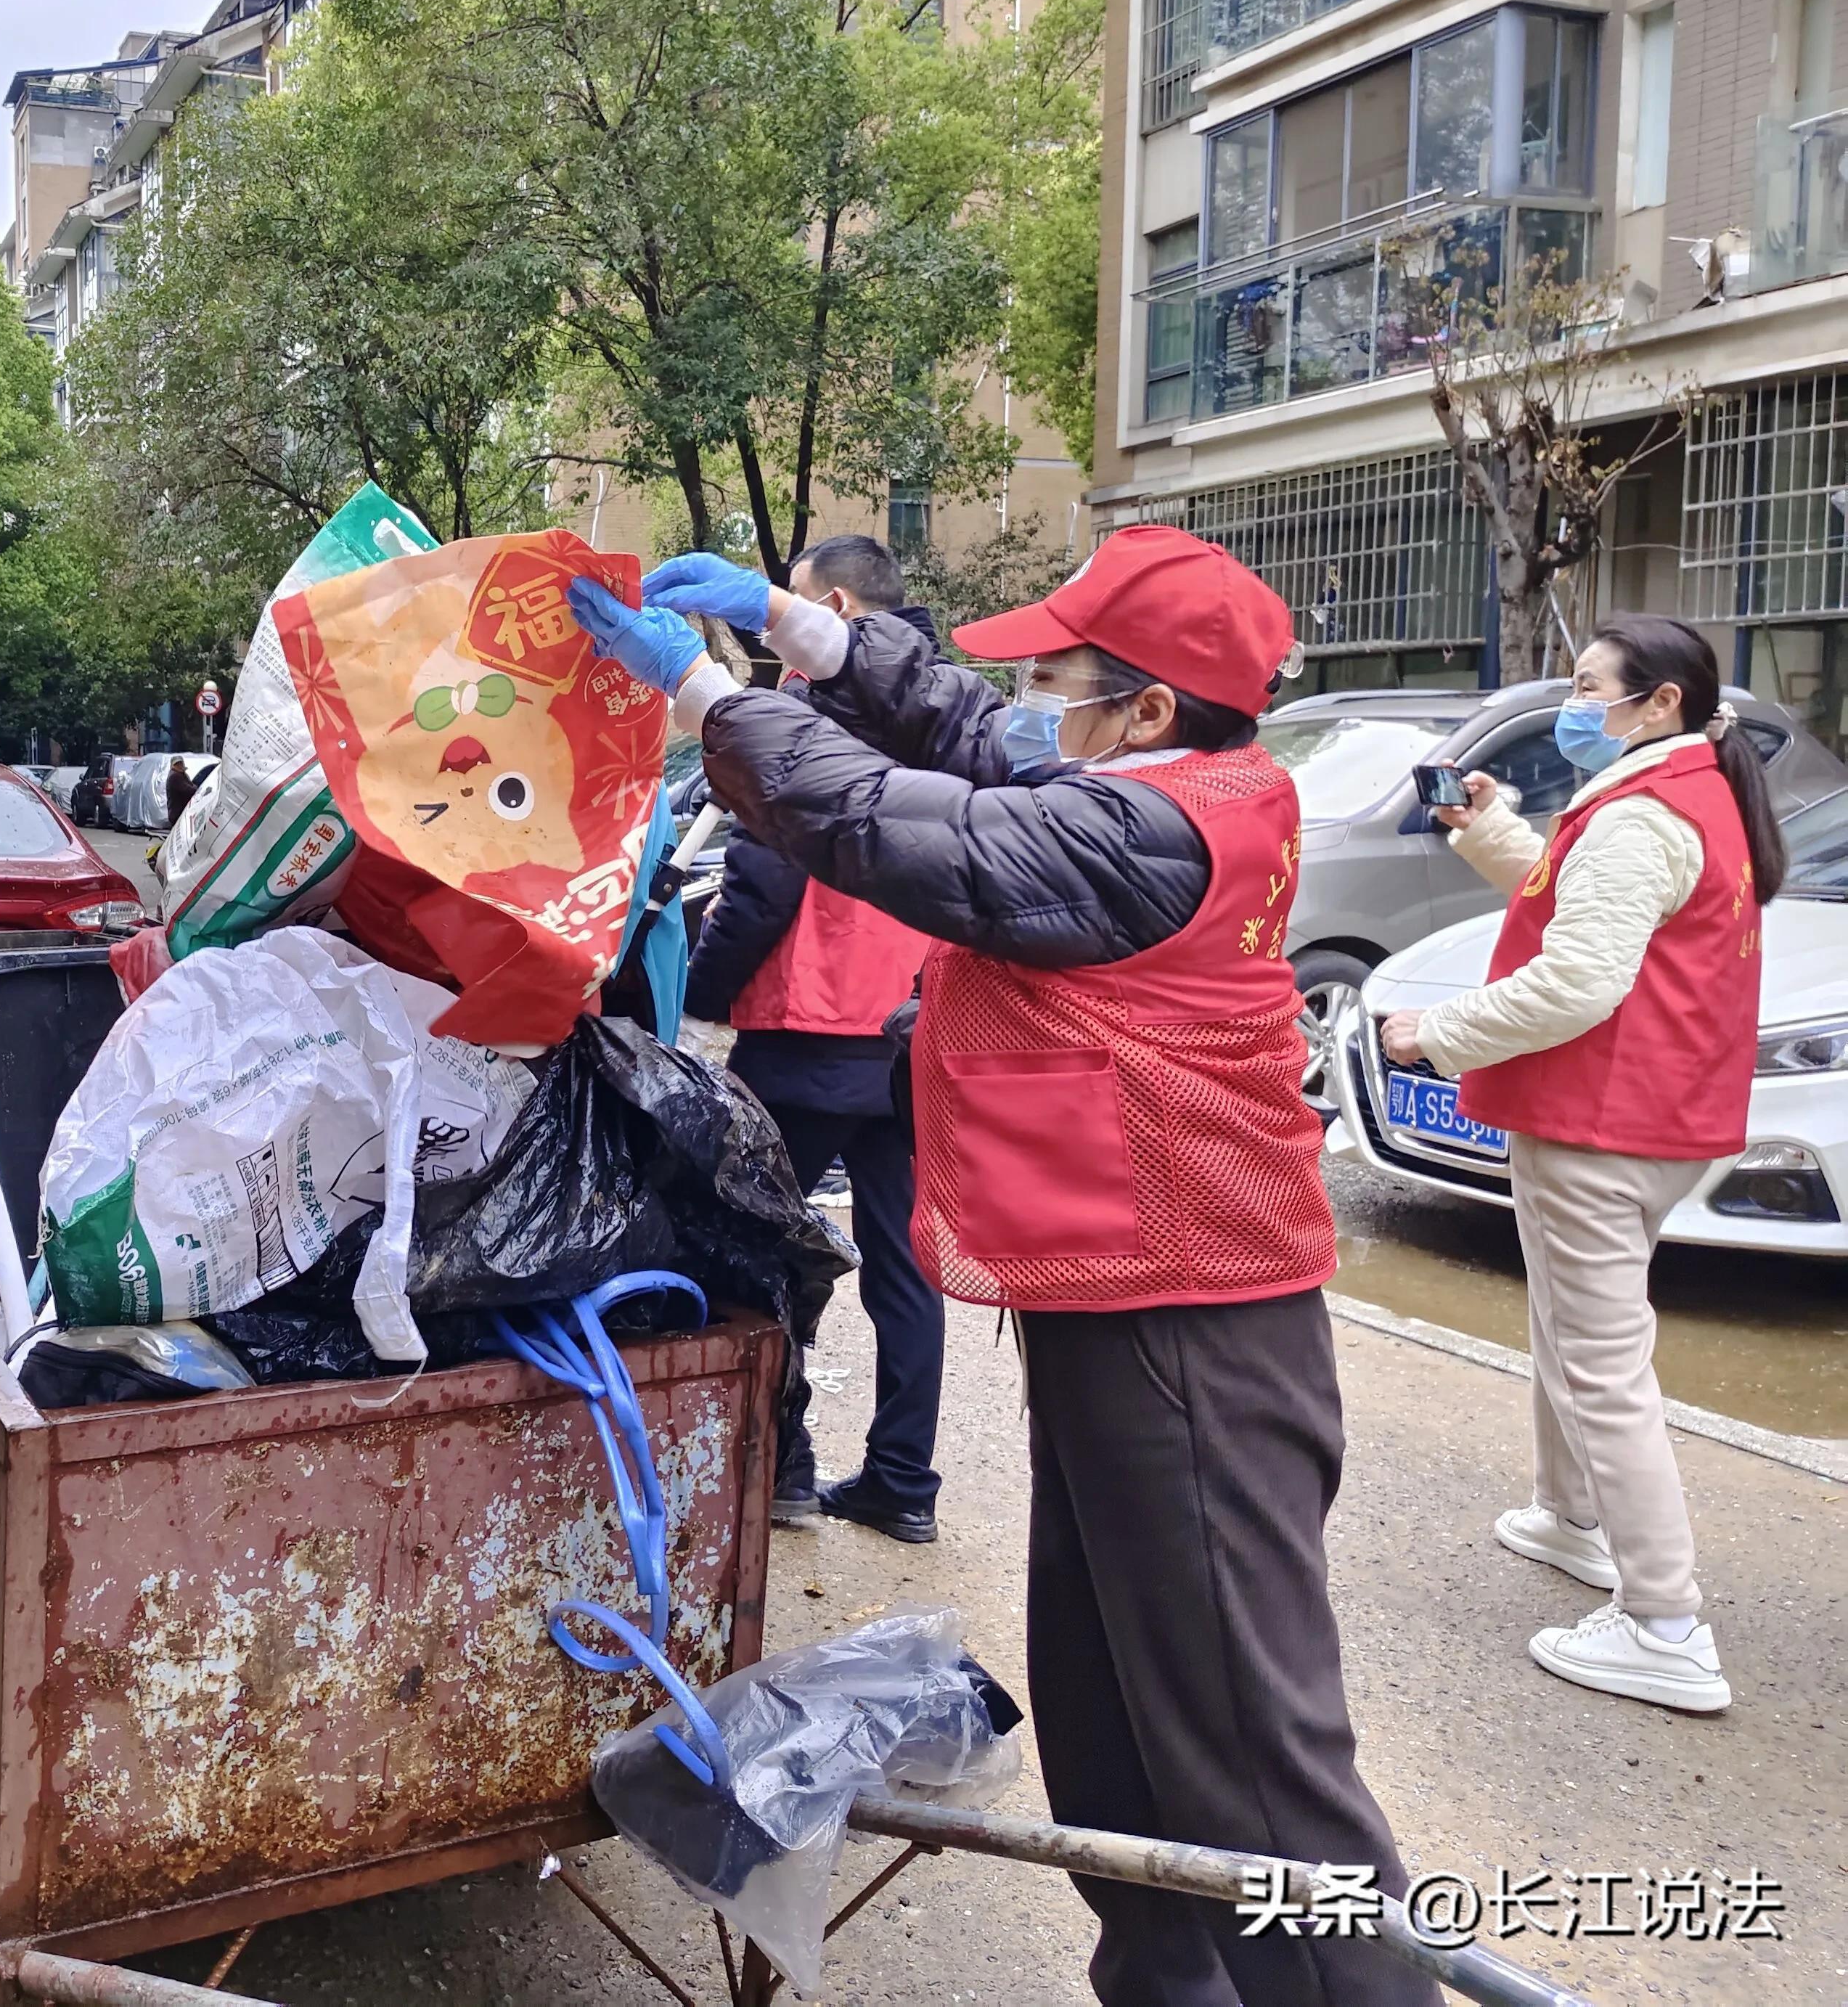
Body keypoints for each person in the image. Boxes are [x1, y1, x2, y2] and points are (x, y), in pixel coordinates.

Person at [572, 528, 1436, 2007]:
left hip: (1194, 1318)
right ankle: (1167, 1983)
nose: (1031, 701)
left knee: (1255, 1752)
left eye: (1063, 679)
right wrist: (806, 628)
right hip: (1124, 1294)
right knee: (1110, 1703)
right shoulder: (1163, 776)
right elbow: (975, 732)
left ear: (1149, 709)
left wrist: (715, 699)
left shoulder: (1143, 834)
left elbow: (890, 821)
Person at [1378, 618, 1776, 1717]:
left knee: (1602, 1363)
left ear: (1656, 705)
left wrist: (1436, 1032)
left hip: (1603, 1120)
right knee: (1572, 1326)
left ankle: (1665, 1623)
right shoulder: (1682, 792)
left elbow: (1577, 983)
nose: (1574, 702)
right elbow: (1575, 894)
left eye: (1592, 686)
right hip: (1651, 1114)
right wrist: (1491, 828)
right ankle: (1571, 1518)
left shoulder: (1644, 812)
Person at [682, 534, 941, 1540]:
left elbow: (760, 887)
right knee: (904, 1266)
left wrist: (700, 1001)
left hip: (805, 1035)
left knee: (773, 1259)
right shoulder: (940, 713)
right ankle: (903, 1485)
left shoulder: (804, 717)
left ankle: (783, 1470)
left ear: (829, 605)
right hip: (916, 1035)